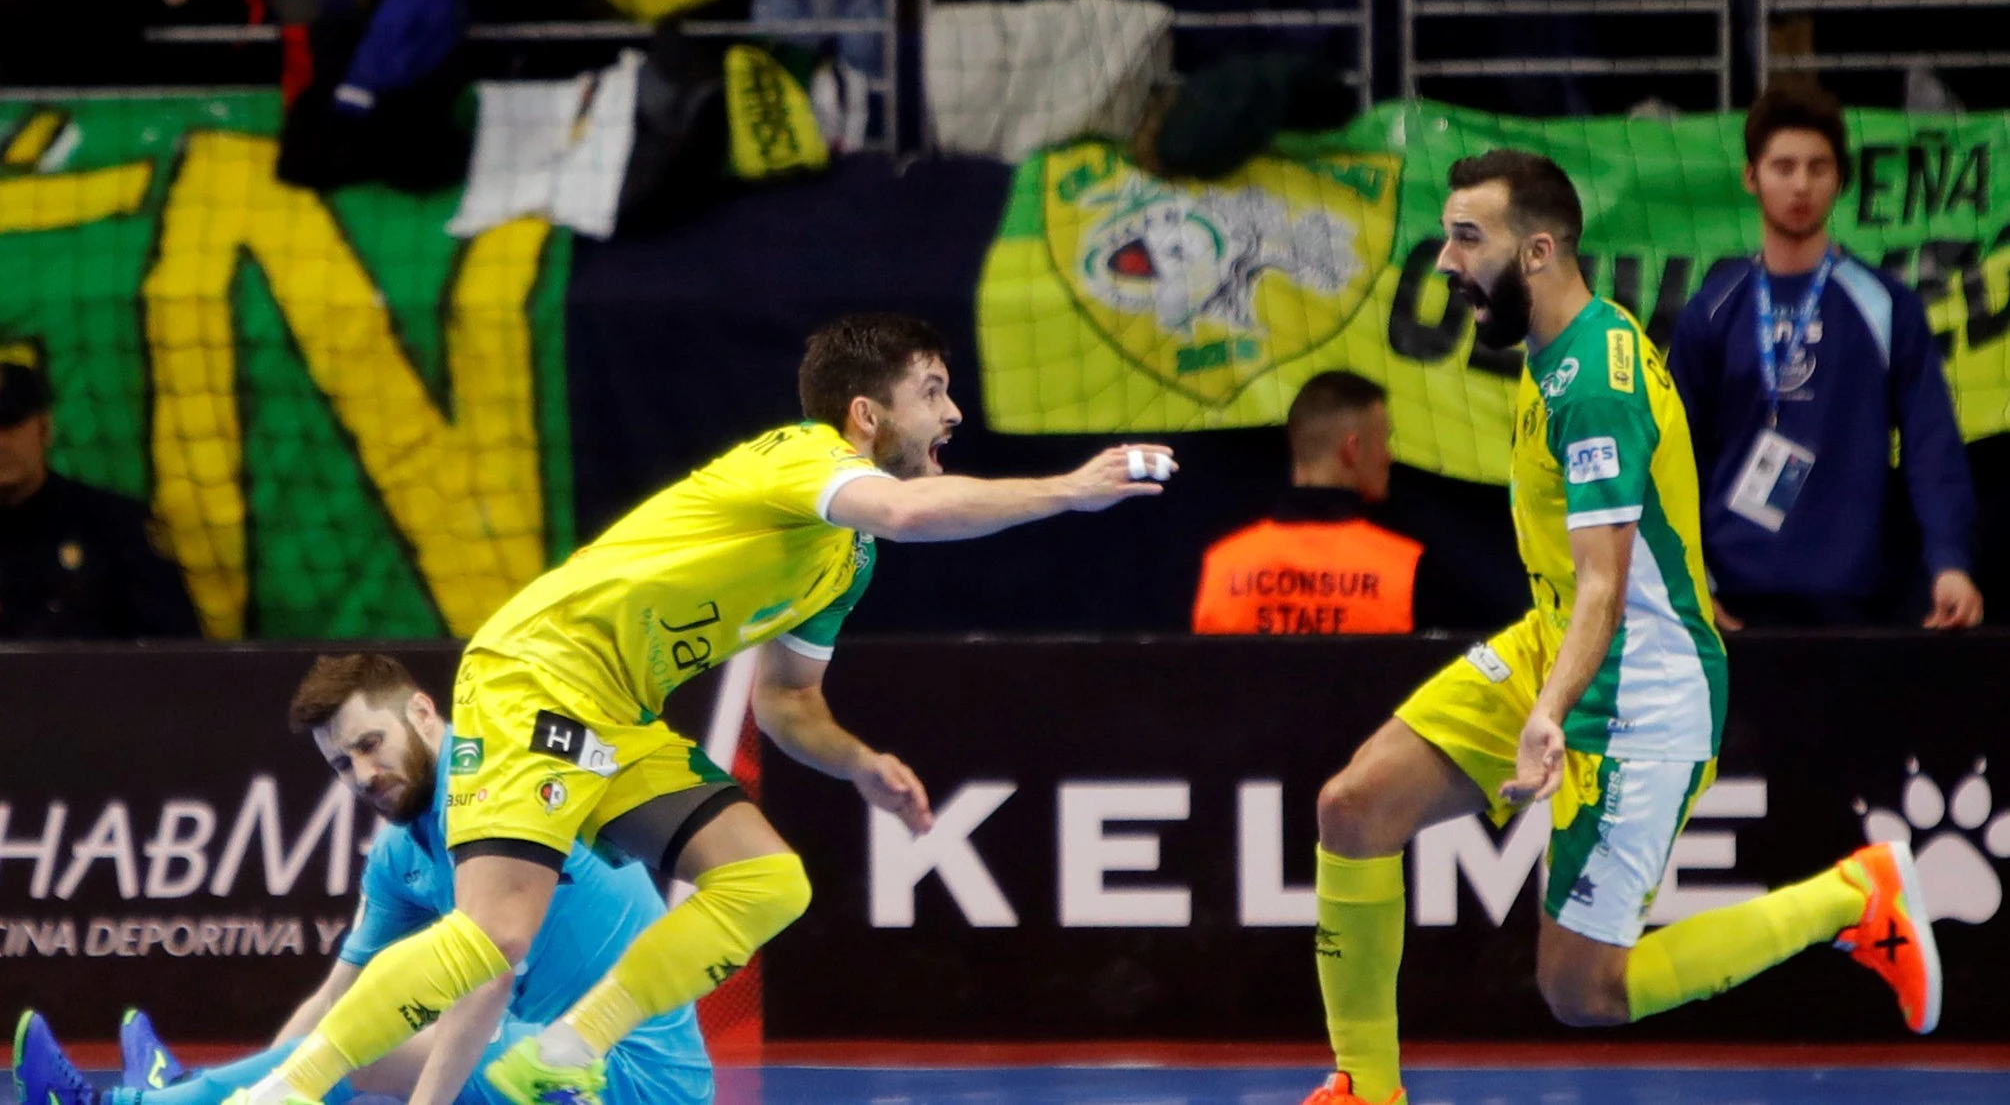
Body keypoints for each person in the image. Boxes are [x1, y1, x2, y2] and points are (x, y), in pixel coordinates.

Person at [225, 314, 1176, 1105]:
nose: (953, 411)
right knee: (496, 933)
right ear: (864, 414)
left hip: (614, 712)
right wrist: (1071, 489)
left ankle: (564, 1048)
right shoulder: (799, 459)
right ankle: (289, 1089)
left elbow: (789, 701)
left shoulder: (844, 559)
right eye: (932, 389)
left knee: (768, 882)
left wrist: (856, 762)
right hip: (538, 670)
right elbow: (912, 512)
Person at [1299, 151, 1940, 1105]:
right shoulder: (1550, 350)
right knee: (1353, 809)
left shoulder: (1597, 383)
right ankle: (1368, 1088)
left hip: (1637, 689)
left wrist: (1550, 709)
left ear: (1541, 250)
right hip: (1550, 645)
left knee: (1580, 988)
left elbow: (1606, 582)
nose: (1444, 260)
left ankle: (1853, 897)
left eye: (1468, 237)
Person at [13, 652, 714, 1105]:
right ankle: (181, 1094)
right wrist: (270, 1086)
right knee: (351, 1036)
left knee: (367, 1048)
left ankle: (125, 1104)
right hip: (544, 1065)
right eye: (341, 764)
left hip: (630, 1079)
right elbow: (335, 1000)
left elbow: (490, 971)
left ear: (421, 710)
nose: (362, 774)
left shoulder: (497, 788)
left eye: (369, 744)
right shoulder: (398, 852)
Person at [1667, 83, 1983, 630]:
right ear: (1751, 177)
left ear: (1840, 179)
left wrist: (1950, 562)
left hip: (1859, 605)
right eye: (1783, 166)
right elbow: (1670, 462)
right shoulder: (1713, 308)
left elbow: (1933, 448)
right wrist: (1688, 582)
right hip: (1731, 608)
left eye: (1818, 167)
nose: (1800, 185)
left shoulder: (1886, 305)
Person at [1192, 371, 1428, 635]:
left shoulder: (1222, 564)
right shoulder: (1405, 566)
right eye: (1383, 440)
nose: (1388, 457)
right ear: (1352, 448)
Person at [0, 353, 200, 638]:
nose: (1, 443)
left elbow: (175, 647)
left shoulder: (113, 526)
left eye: (11, 423)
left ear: (44, 429)